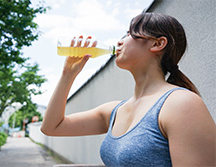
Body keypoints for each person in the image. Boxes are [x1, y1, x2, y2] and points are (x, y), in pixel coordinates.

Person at [41, 13, 216, 166]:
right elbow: (52, 127)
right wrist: (68, 75)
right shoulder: (114, 111)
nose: (119, 41)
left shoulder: (181, 104)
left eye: (130, 34)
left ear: (157, 43)